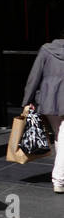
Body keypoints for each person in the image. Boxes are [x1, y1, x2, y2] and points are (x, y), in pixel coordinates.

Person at [22, 29, 64, 194]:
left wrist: (27, 101)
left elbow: (34, 76)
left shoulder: (46, 49)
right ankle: (59, 179)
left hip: (49, 100)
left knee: (60, 135)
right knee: (62, 136)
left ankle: (59, 176)